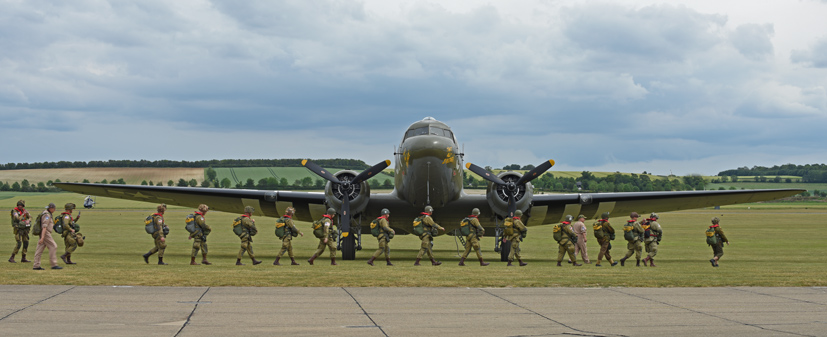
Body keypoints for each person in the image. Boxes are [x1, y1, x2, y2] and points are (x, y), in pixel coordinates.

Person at [32, 203, 62, 270]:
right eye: (54, 208)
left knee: (39, 249)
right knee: (53, 246)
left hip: (44, 233)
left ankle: (36, 265)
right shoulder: (47, 215)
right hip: (45, 233)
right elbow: (44, 227)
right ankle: (53, 264)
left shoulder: (46, 213)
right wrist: (42, 237)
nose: (54, 210)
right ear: (51, 208)